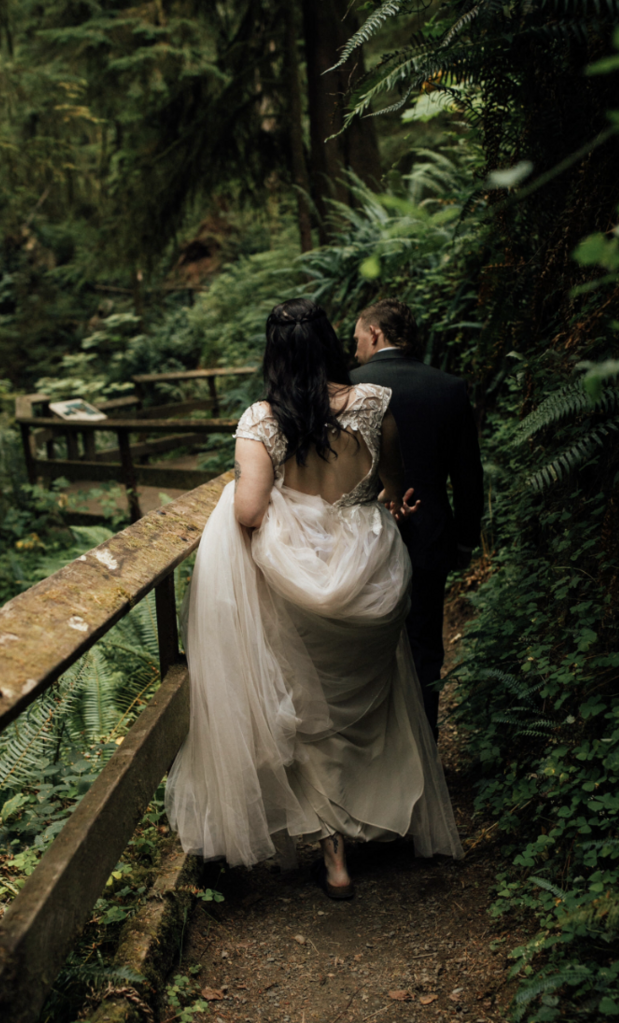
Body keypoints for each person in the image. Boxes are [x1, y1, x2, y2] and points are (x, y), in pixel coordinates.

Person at [165, 298, 462, 898]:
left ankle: (334, 859)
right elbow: (391, 487)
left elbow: (248, 511)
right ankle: (381, 819)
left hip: (299, 579)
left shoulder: (262, 422)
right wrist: (385, 506)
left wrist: (267, 497)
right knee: (373, 701)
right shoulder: (376, 406)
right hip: (371, 573)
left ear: (273, 355)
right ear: (331, 342)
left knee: (311, 711)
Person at [350, 299, 484, 738]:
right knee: (425, 644)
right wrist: (465, 540)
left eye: (357, 341)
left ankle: (375, 751)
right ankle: (424, 742)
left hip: (359, 539)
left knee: (365, 648)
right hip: (429, 533)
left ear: (375, 333)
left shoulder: (348, 388)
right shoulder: (448, 388)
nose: (354, 353)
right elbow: (467, 475)